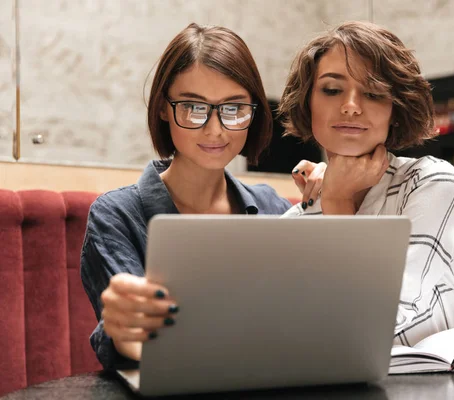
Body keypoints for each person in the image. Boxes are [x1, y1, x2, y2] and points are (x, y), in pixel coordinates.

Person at [81, 23, 321, 370]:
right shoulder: (116, 215)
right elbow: (131, 336)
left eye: (233, 108)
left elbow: (309, 320)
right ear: (164, 108)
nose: (215, 129)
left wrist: (331, 201)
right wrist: (126, 330)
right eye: (193, 107)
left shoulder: (272, 207)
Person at [278, 21, 454, 345]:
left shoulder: (429, 182)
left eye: (373, 93)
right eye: (331, 89)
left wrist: (338, 201)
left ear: (394, 109)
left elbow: (381, 325)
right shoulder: (297, 221)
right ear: (307, 103)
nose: (351, 105)